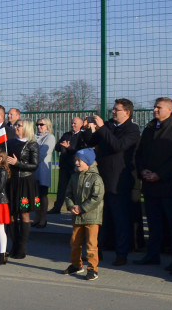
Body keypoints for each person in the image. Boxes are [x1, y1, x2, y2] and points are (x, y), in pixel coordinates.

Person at [134, 97, 172, 272]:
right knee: (153, 223)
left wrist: (160, 174)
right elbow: (140, 153)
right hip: (151, 186)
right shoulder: (150, 129)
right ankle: (152, 255)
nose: (155, 110)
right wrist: (142, 170)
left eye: (159, 108)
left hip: (170, 186)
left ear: (170, 109)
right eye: (154, 107)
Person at [85, 100, 141, 266]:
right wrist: (88, 129)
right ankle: (96, 252)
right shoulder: (108, 125)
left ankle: (121, 253)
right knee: (99, 218)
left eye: (117, 110)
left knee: (120, 219)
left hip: (119, 182)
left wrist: (102, 128)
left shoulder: (132, 129)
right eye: (113, 109)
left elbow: (118, 146)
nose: (113, 112)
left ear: (127, 112)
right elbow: (91, 142)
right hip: (102, 178)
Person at [61, 148, 104, 281]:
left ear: (88, 162)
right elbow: (68, 194)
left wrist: (82, 208)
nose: (77, 163)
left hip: (91, 217)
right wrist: (71, 205)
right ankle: (76, 265)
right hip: (77, 216)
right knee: (75, 242)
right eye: (76, 160)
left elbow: (96, 197)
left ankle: (92, 269)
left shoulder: (96, 178)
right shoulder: (74, 176)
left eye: (80, 160)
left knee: (91, 244)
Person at [6, 118, 39, 259]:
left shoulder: (32, 144)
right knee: (11, 214)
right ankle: (14, 245)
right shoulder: (10, 142)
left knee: (24, 214)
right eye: (16, 125)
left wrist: (17, 163)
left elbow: (34, 165)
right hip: (12, 180)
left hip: (25, 181)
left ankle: (22, 247)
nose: (16, 128)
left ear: (26, 128)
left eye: (19, 126)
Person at [51, 117, 87, 214]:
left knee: (75, 188)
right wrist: (62, 145)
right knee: (61, 188)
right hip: (64, 165)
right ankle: (57, 207)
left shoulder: (82, 136)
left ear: (80, 124)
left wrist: (69, 147)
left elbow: (80, 151)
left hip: (75, 166)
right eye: (72, 123)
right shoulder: (66, 135)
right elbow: (57, 147)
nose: (72, 125)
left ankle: (75, 207)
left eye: (75, 123)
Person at [34, 117, 55, 228]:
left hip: (42, 170)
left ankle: (43, 218)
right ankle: (37, 217)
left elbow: (42, 154)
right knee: (36, 196)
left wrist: (31, 158)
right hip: (33, 170)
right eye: (38, 124)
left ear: (47, 125)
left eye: (42, 124)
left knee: (43, 194)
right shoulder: (34, 137)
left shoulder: (50, 137)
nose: (39, 126)